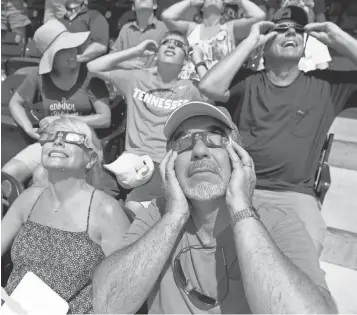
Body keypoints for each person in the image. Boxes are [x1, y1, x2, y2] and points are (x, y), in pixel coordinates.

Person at [92, 101, 337, 314]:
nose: (199, 150)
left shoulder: (278, 221)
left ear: (238, 156)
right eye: (184, 142)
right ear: (170, 163)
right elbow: (108, 305)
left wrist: (241, 208)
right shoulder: (156, 214)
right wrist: (174, 216)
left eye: (215, 139)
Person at [199, 5, 357, 255]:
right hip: (243, 187)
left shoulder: (326, 87)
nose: (291, 34)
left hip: (295, 197)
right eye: (280, 30)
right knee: (216, 257)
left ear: (304, 45)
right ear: (264, 46)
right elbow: (209, 86)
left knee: (301, 266)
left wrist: (340, 38)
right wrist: (250, 41)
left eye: (297, 31)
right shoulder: (246, 81)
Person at [1, 117, 131, 314]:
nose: (57, 141)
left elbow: (125, 290)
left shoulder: (105, 211)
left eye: (71, 138)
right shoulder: (30, 198)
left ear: (91, 159)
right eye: (51, 137)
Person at [87, 30, 208, 215]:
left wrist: (198, 61)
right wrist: (136, 50)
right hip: (128, 161)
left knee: (133, 208)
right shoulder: (136, 78)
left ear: (185, 59)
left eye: (179, 45)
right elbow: (93, 66)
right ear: (157, 52)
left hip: (163, 164)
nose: (171, 45)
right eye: (166, 42)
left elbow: (213, 93)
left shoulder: (191, 88)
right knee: (94, 202)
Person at [2, 19, 111, 185]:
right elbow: (15, 103)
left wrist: (61, 119)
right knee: (7, 176)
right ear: (51, 57)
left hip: (83, 144)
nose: (72, 52)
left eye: (72, 46)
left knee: (42, 176)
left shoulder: (90, 77)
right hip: (50, 142)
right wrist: (29, 129)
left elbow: (105, 119)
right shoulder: (39, 77)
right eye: (64, 49)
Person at [161, 0, 266, 80]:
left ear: (223, 7)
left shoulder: (230, 29)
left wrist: (238, 1)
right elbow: (167, 16)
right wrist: (190, 2)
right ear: (201, 7)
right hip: (187, 88)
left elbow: (260, 16)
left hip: (215, 90)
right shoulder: (191, 29)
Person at [111, 0, 168, 69]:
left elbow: (170, 60)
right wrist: (124, 64)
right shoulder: (126, 29)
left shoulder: (165, 29)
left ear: (155, 5)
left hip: (152, 78)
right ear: (133, 7)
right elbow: (111, 56)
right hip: (126, 77)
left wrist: (148, 72)